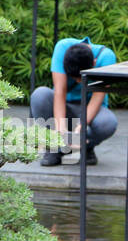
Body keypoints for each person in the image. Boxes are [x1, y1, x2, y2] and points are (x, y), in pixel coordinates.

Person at [30, 37, 117, 166]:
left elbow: (98, 97)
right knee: (39, 95)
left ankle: (86, 147)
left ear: (94, 63)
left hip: (90, 110)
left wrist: (79, 131)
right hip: (65, 106)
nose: (78, 82)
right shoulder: (62, 47)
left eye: (80, 78)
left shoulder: (107, 57)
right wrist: (60, 130)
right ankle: (54, 147)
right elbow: (60, 91)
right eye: (74, 78)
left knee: (108, 123)